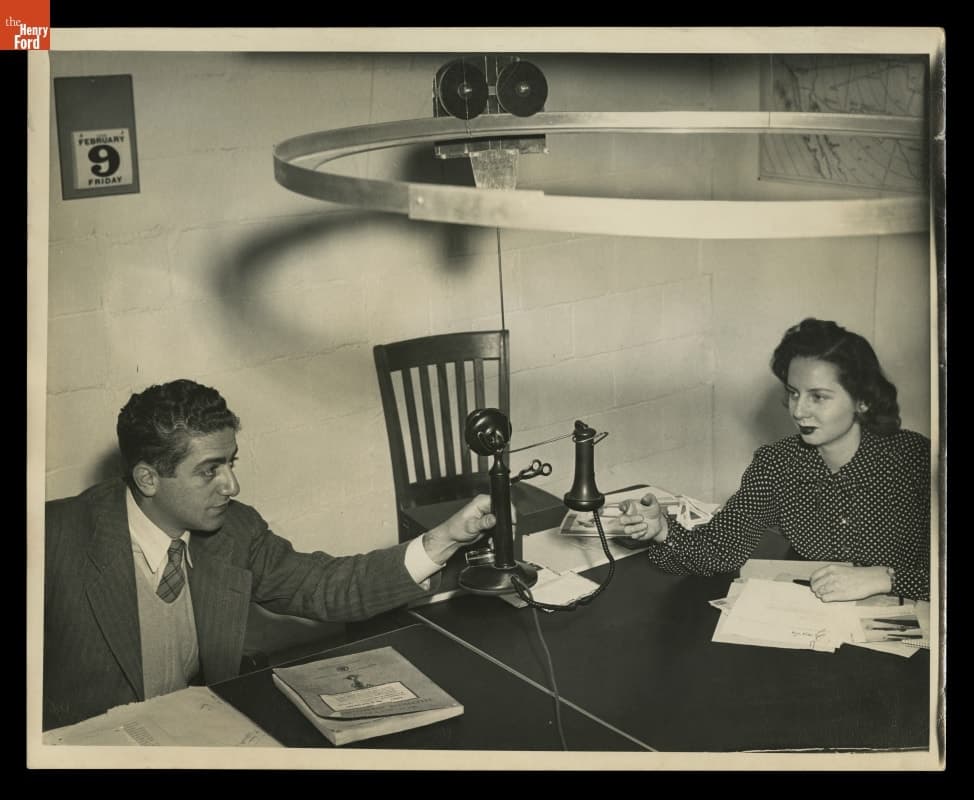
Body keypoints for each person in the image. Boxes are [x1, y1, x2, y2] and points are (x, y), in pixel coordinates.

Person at [43, 379, 498, 731]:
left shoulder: (233, 530)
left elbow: (325, 586)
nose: (232, 486)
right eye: (209, 471)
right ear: (147, 479)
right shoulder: (53, 539)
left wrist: (444, 541)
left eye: (231, 463)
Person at [618, 318, 931, 603]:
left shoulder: (916, 461)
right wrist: (661, 530)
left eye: (818, 397)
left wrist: (884, 578)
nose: (798, 410)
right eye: (794, 393)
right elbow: (719, 551)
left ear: (862, 400)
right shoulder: (778, 464)